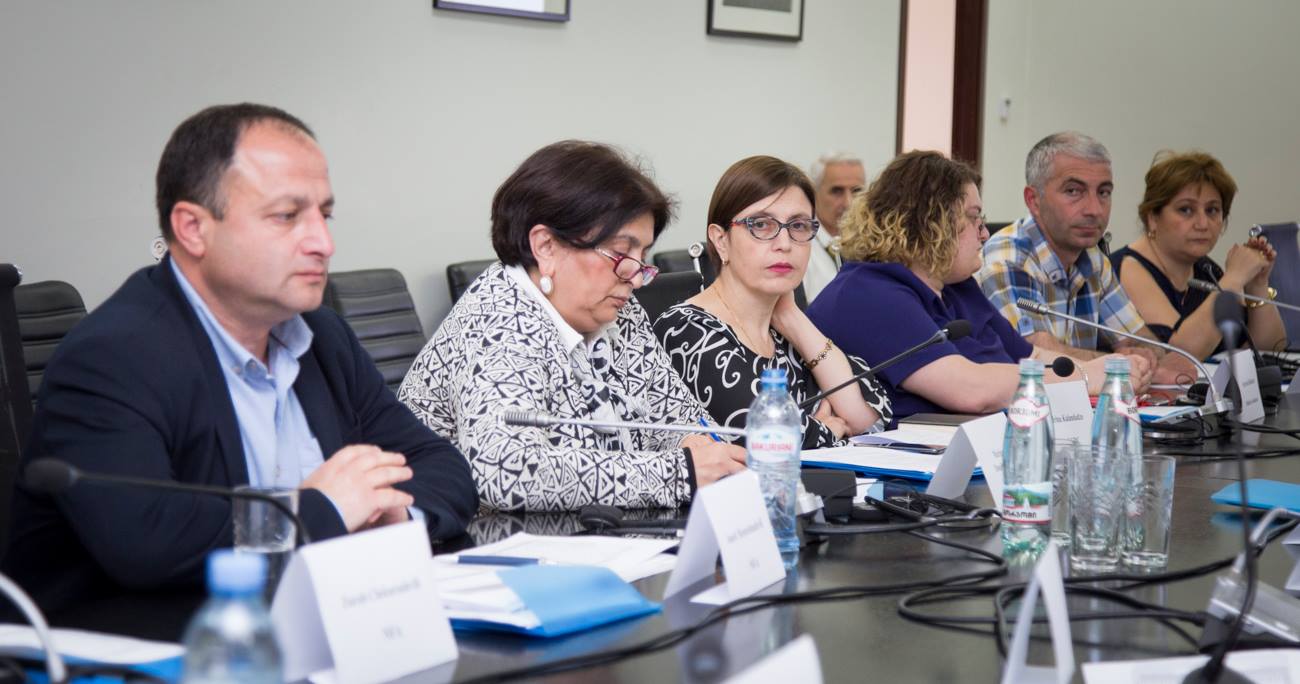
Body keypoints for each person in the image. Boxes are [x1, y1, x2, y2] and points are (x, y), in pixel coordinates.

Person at [3, 104, 478, 623]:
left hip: (324, 628)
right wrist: (322, 511)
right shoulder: (112, 356)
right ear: (193, 228)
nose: (323, 243)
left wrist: (394, 512)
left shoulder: (323, 337)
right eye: (287, 216)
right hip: (138, 648)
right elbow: (145, 537)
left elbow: (441, 465)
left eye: (324, 215)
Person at [398, 141, 747, 512]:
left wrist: (699, 446)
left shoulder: (619, 311)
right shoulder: (500, 316)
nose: (636, 277)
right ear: (546, 246)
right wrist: (679, 473)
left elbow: (679, 416)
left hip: (598, 531)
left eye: (642, 257)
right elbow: (508, 472)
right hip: (476, 537)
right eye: (620, 253)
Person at [807, 151, 1137, 424]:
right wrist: (1085, 377)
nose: (984, 233)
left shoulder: (956, 286)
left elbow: (1031, 356)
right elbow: (970, 390)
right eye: (974, 218)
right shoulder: (869, 292)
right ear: (931, 223)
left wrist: (1105, 370)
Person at [653, 156, 891, 449]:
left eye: (798, 225)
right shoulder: (686, 329)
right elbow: (766, 438)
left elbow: (869, 420)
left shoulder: (785, 330)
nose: (785, 244)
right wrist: (830, 429)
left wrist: (793, 319)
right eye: (761, 225)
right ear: (721, 240)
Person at [978, 132, 1192, 383]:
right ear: (1034, 200)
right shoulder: (1007, 259)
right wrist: (1122, 363)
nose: (1094, 210)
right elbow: (1036, 355)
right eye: (1073, 191)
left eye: (1103, 192)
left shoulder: (1093, 259)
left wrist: (1148, 356)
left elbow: (1138, 340)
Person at [1112, 151, 1286, 359]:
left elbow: (1271, 348)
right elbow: (1181, 355)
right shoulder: (1128, 268)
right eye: (1186, 210)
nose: (1202, 224)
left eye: (1212, 210)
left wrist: (1257, 285)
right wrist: (1234, 278)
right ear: (1153, 218)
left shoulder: (1206, 269)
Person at [802, 153, 866, 301]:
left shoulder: (872, 244)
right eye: (837, 191)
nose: (848, 202)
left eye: (856, 191)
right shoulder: (801, 243)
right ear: (814, 192)